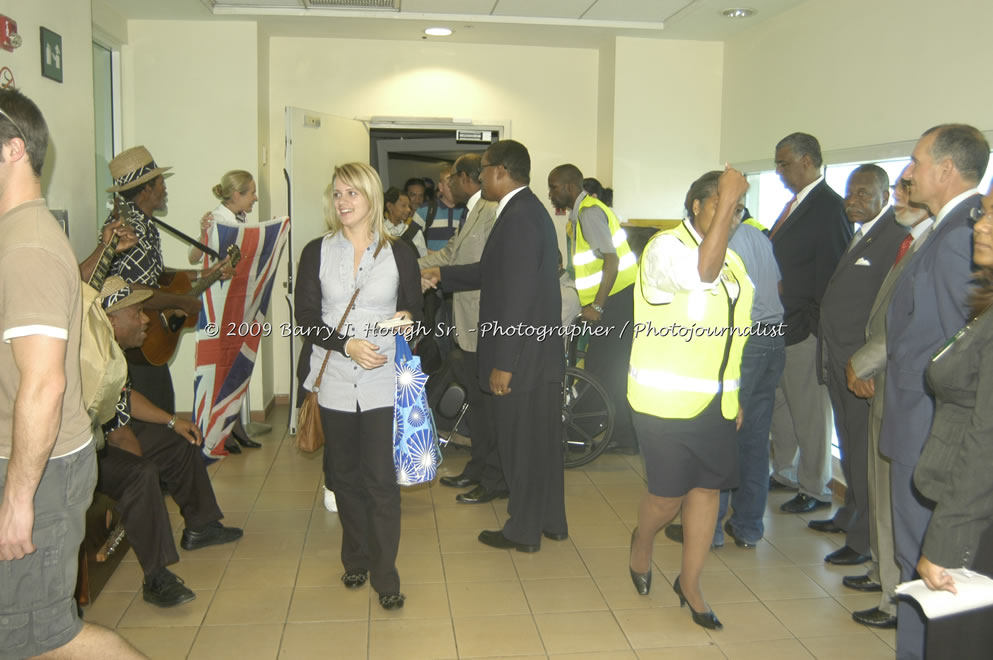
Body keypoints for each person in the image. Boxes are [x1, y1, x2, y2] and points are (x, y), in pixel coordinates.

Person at [0, 87, 142, 659]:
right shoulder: (18, 236)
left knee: (43, 640)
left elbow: (44, 383)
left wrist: (18, 496)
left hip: (40, 468)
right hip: (30, 462)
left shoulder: (28, 246)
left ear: (12, 150)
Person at [422, 139, 566, 552]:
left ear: (501, 171)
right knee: (540, 444)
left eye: (483, 168)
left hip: (519, 357)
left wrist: (504, 363)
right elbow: (492, 271)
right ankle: (551, 520)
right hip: (537, 354)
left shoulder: (518, 217)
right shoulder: (526, 211)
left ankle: (523, 531)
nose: (479, 176)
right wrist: (441, 276)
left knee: (520, 446)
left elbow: (517, 296)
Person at [880, 124, 988, 660]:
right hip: (917, 421)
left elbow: (961, 364)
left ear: (946, 169)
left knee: (926, 568)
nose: (907, 173)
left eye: (917, 161)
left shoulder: (960, 238)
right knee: (913, 562)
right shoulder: (947, 230)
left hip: (929, 431)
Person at [626, 168, 752, 631]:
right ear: (695, 205)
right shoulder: (664, 250)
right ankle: (642, 541)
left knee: (706, 493)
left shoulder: (735, 262)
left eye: (737, 209)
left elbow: (733, 337)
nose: (732, 216)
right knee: (666, 498)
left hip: (714, 405)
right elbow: (703, 271)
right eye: (722, 204)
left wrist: (732, 395)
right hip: (663, 404)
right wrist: (730, 196)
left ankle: (691, 583)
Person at [295, 162, 422, 610]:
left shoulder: (399, 252)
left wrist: (402, 325)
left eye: (352, 193)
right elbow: (307, 320)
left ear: (370, 198)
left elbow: (414, 312)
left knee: (380, 480)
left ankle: (386, 576)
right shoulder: (316, 251)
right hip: (332, 377)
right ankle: (357, 556)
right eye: (337, 194)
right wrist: (347, 344)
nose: (343, 202)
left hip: (382, 379)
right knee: (343, 477)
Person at [96, 276, 243, 607]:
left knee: (179, 442)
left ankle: (201, 525)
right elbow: (119, 435)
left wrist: (174, 421)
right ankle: (156, 576)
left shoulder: (112, 349)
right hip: (87, 452)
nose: (146, 318)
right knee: (141, 473)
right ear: (111, 319)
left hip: (110, 435)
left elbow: (126, 398)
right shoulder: (94, 356)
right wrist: (141, 466)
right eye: (137, 313)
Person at [845, 172, 933, 630]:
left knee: (894, 500)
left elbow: (908, 325)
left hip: (901, 387)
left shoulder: (937, 247)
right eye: (898, 189)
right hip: (886, 384)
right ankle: (883, 575)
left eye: (906, 189)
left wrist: (862, 362)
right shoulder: (909, 243)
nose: (900, 197)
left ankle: (894, 599)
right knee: (881, 493)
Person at [812, 165, 906, 568]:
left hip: (861, 368)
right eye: (851, 193)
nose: (853, 200)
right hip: (839, 361)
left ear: (886, 195)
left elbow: (890, 311)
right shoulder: (861, 232)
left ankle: (863, 540)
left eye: (864, 194)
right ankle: (851, 514)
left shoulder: (895, 237)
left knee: (865, 459)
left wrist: (866, 364)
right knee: (850, 448)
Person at [914, 183, 993, 659]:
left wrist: (945, 545)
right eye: (981, 214)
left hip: (976, 531)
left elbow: (986, 442)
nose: (980, 226)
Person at [768, 132, 851, 513]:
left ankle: (816, 488)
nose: (780, 171)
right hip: (782, 325)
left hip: (805, 329)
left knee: (810, 413)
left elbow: (833, 274)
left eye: (784, 163)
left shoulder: (830, 207)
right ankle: (786, 471)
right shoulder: (796, 205)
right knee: (782, 406)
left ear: (806, 160)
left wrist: (816, 328)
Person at [418, 154, 504, 504]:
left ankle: (492, 475)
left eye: (450, 178)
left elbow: (481, 267)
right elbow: (451, 252)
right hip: (466, 321)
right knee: (476, 401)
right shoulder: (473, 210)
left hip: (485, 321)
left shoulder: (490, 211)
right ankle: (478, 465)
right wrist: (405, 264)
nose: (445, 184)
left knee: (488, 405)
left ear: (467, 178)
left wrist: (438, 275)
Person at [103, 146, 204, 415]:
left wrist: (202, 273)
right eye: (161, 183)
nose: (165, 189)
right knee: (158, 415)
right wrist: (182, 301)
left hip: (142, 339)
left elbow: (153, 274)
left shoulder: (141, 223)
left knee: (161, 408)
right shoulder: (131, 227)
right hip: (135, 342)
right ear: (146, 190)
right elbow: (134, 290)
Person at [548, 164, 638, 453]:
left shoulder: (588, 213)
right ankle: (616, 433)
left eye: (554, 187)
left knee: (606, 369)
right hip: (613, 300)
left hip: (617, 301)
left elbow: (610, 261)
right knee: (606, 367)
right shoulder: (580, 216)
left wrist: (598, 305)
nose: (551, 193)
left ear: (570, 188)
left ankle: (614, 435)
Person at [188, 169, 260, 453]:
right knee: (221, 365)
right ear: (237, 195)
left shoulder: (239, 220)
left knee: (236, 364)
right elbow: (194, 256)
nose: (255, 198)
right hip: (219, 304)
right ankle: (221, 430)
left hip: (236, 302)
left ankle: (235, 426)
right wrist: (204, 232)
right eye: (251, 192)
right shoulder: (217, 220)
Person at [383, 186, 426, 257]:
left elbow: (424, 259)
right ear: (389, 206)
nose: (408, 210)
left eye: (408, 206)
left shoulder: (415, 232)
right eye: (403, 206)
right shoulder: (380, 231)